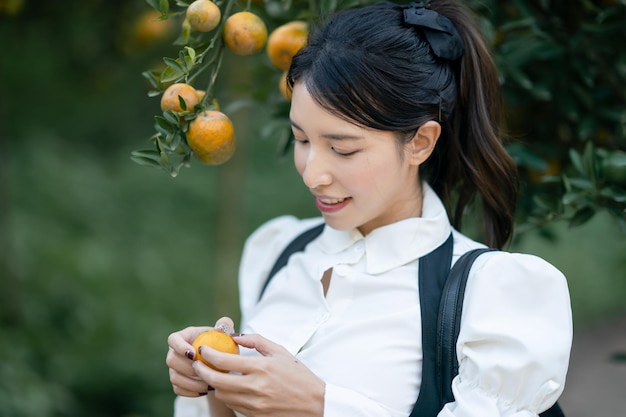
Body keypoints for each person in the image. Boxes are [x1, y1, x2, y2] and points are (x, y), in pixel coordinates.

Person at [165, 1, 573, 416]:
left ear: (419, 142)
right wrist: (211, 385)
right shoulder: (280, 251)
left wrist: (321, 405)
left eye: (342, 149)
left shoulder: (490, 295)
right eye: (302, 140)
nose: (312, 175)